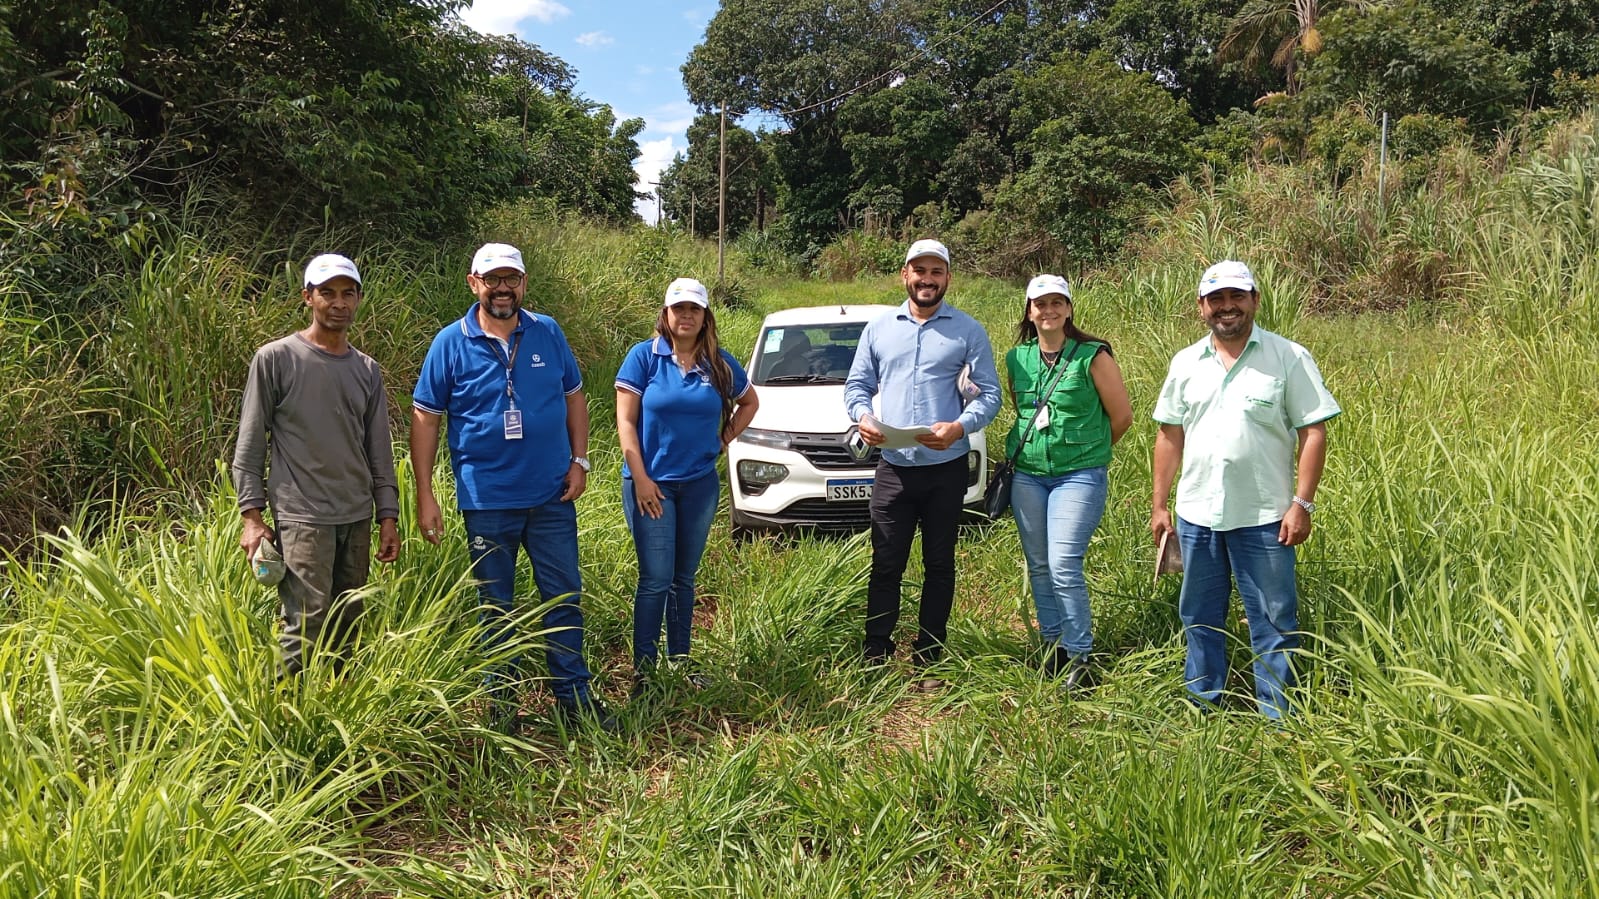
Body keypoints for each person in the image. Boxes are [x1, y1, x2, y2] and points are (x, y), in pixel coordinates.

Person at [411, 242, 613, 733]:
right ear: (473, 282)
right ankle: (503, 710)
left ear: (523, 283)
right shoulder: (449, 343)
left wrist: (580, 460)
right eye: (493, 278)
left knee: (562, 598)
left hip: (551, 496)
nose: (503, 287)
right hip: (487, 501)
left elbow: (574, 396)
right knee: (494, 609)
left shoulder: (547, 332)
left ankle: (574, 698)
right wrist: (424, 493)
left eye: (512, 278)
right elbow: (426, 418)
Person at [1150, 260, 1341, 718]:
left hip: (1266, 519)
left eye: (1237, 296)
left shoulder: (1288, 357)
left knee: (1274, 621)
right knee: (1198, 616)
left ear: (1255, 300)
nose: (1227, 307)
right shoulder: (1185, 363)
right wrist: (1160, 505)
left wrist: (1302, 504)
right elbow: (1169, 435)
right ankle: (1203, 706)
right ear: (1201, 307)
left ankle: (1278, 718)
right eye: (1216, 299)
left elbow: (1313, 432)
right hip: (1197, 515)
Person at [232, 253, 400, 678]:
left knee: (348, 622)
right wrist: (251, 518)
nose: (338, 303)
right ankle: (274, 719)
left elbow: (379, 452)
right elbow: (250, 444)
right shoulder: (275, 359)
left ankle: (337, 711)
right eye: (327, 293)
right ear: (308, 297)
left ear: (359, 299)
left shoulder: (366, 370)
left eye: (348, 294)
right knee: (305, 623)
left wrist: (388, 517)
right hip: (302, 516)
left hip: (356, 515)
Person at [844, 238, 1002, 690]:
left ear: (947, 278)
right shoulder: (878, 329)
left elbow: (988, 394)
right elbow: (856, 385)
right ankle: (876, 651)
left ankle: (929, 657)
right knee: (885, 561)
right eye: (920, 270)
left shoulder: (968, 331)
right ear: (905, 275)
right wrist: (862, 418)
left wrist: (961, 426)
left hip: (944, 467)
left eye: (936, 271)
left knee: (939, 564)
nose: (927, 279)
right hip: (893, 467)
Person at [615, 277, 759, 697]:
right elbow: (625, 422)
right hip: (651, 487)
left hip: (697, 486)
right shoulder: (644, 358)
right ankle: (644, 673)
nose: (686, 316)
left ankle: (679, 663)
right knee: (655, 579)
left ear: (705, 316)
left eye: (694, 309)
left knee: (684, 579)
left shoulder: (718, 363)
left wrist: (724, 437)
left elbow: (750, 402)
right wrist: (640, 478)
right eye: (679, 308)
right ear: (666, 314)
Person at [1004, 274, 1132, 690]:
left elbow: (1122, 417)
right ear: (1029, 311)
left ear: (1070, 309)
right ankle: (1052, 646)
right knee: (1039, 565)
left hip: (1079, 476)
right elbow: (1021, 411)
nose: (1049, 310)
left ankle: (1080, 656)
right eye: (1041, 304)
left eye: (1057, 302)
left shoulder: (1093, 356)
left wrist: (1088, 454)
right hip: (1028, 476)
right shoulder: (1016, 358)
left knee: (1062, 564)